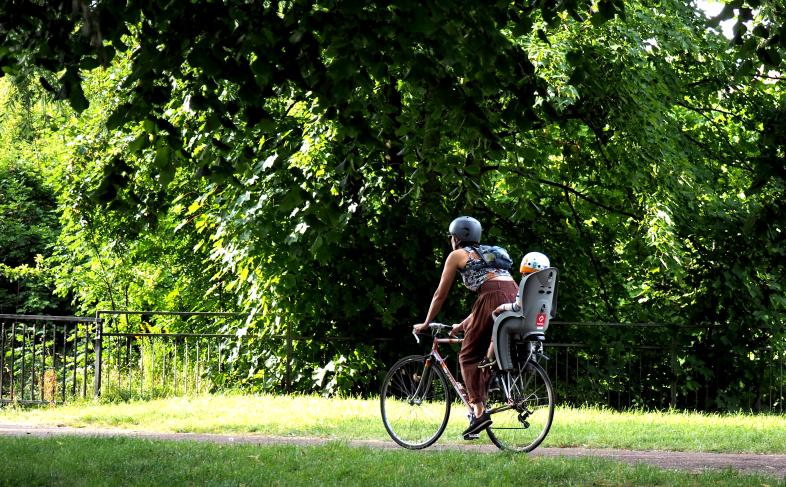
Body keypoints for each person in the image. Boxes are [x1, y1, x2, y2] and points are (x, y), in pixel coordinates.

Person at [413, 216, 517, 438]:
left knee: (467, 356)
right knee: (484, 354)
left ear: (457, 238)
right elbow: (495, 292)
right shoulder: (489, 253)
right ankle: (484, 396)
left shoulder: (457, 255)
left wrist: (426, 322)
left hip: (492, 297)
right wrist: (463, 324)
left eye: (451, 237)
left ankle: (479, 412)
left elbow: (440, 294)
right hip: (514, 295)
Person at [479, 251, 551, 369]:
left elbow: (518, 306)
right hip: (540, 323)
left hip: (522, 321)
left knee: (500, 323)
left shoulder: (527, 284)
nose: (523, 276)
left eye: (525, 273)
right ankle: (528, 359)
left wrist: (502, 307)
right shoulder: (548, 288)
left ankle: (493, 359)